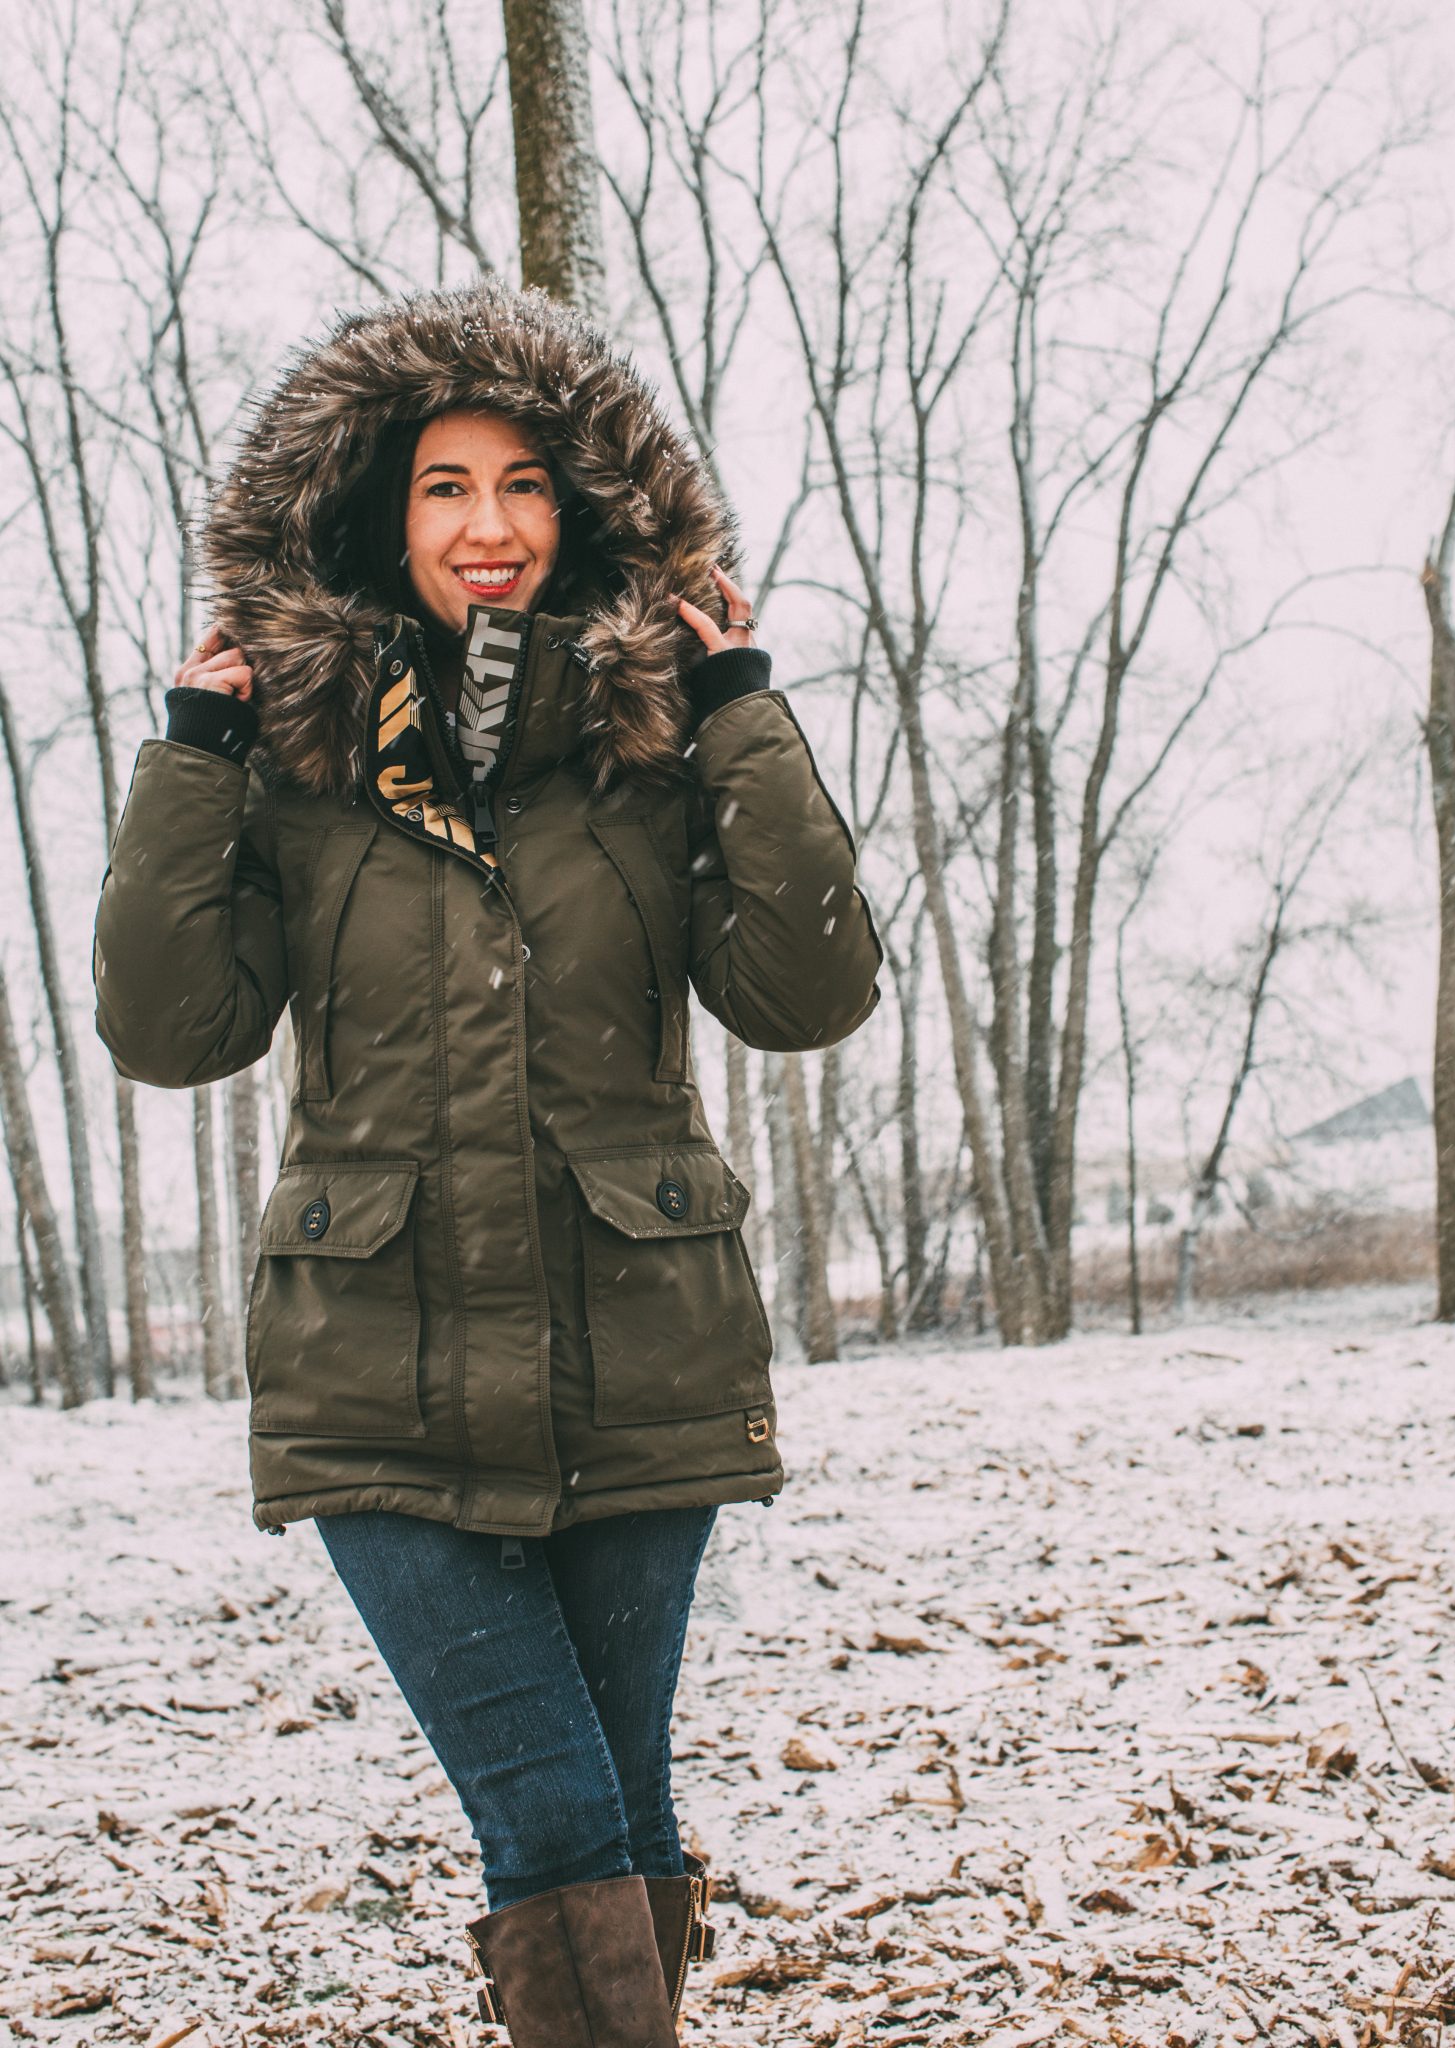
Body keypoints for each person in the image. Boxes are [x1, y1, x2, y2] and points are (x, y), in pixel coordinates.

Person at [92, 277, 882, 2045]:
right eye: (446, 488)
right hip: (374, 1369)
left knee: (614, 1815)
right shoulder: (296, 768)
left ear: (580, 509)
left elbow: (807, 991)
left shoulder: (661, 744)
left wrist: (740, 701)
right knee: (555, 1818)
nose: (489, 525)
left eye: (524, 484)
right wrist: (193, 759)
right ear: (384, 516)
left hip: (642, 1351)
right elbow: (171, 1030)